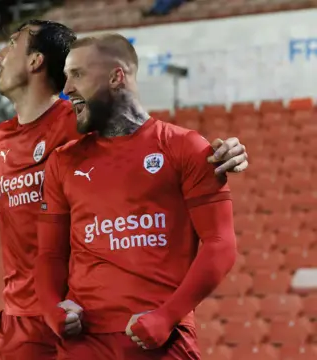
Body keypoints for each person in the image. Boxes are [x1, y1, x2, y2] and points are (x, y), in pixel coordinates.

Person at [0, 20, 248, 360]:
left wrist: (225, 150)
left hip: (84, 318)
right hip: (34, 312)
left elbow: (135, 132)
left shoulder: (77, 122)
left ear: (36, 61)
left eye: (12, 44)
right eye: (69, 76)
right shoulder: (5, 139)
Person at [34, 34, 236, 359]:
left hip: (161, 338)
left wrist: (167, 316)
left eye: (78, 74)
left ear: (116, 77)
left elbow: (221, 245)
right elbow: (49, 255)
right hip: (85, 342)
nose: (66, 88)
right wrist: (51, 310)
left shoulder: (185, 147)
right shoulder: (62, 161)